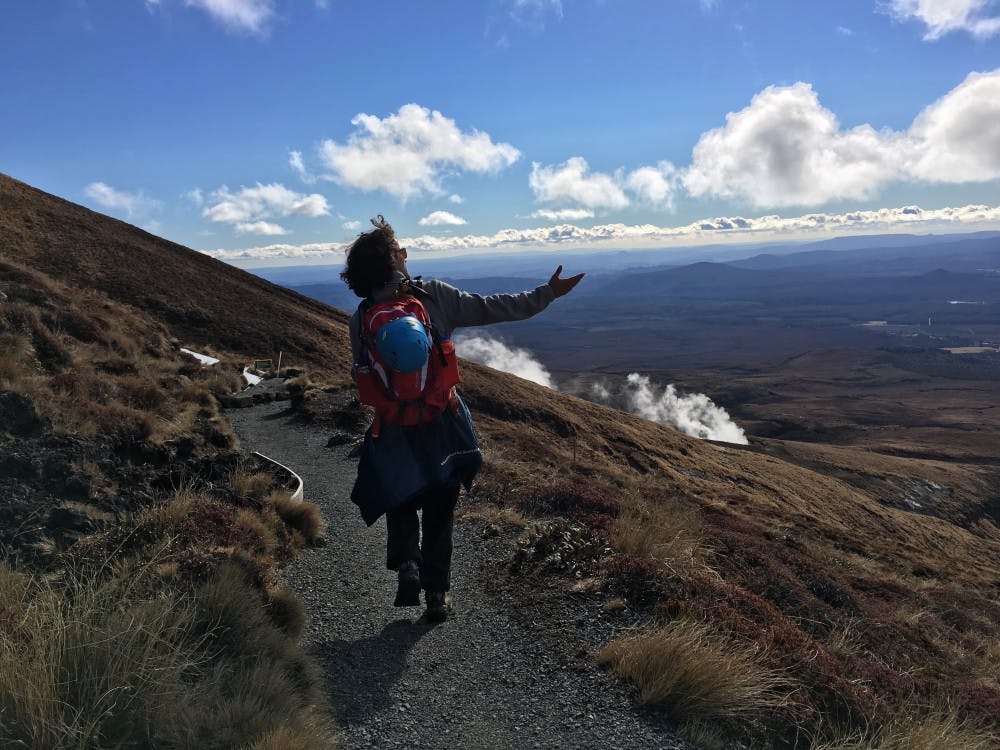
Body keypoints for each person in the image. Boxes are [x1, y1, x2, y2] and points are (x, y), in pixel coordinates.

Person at [341, 216, 584, 621]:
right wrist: (547, 293)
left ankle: (407, 561)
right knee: (441, 507)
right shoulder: (432, 296)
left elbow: (361, 373)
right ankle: (437, 595)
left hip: (394, 427)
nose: (405, 255)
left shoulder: (361, 318)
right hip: (443, 422)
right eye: (400, 250)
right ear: (393, 261)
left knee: (396, 492)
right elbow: (495, 308)